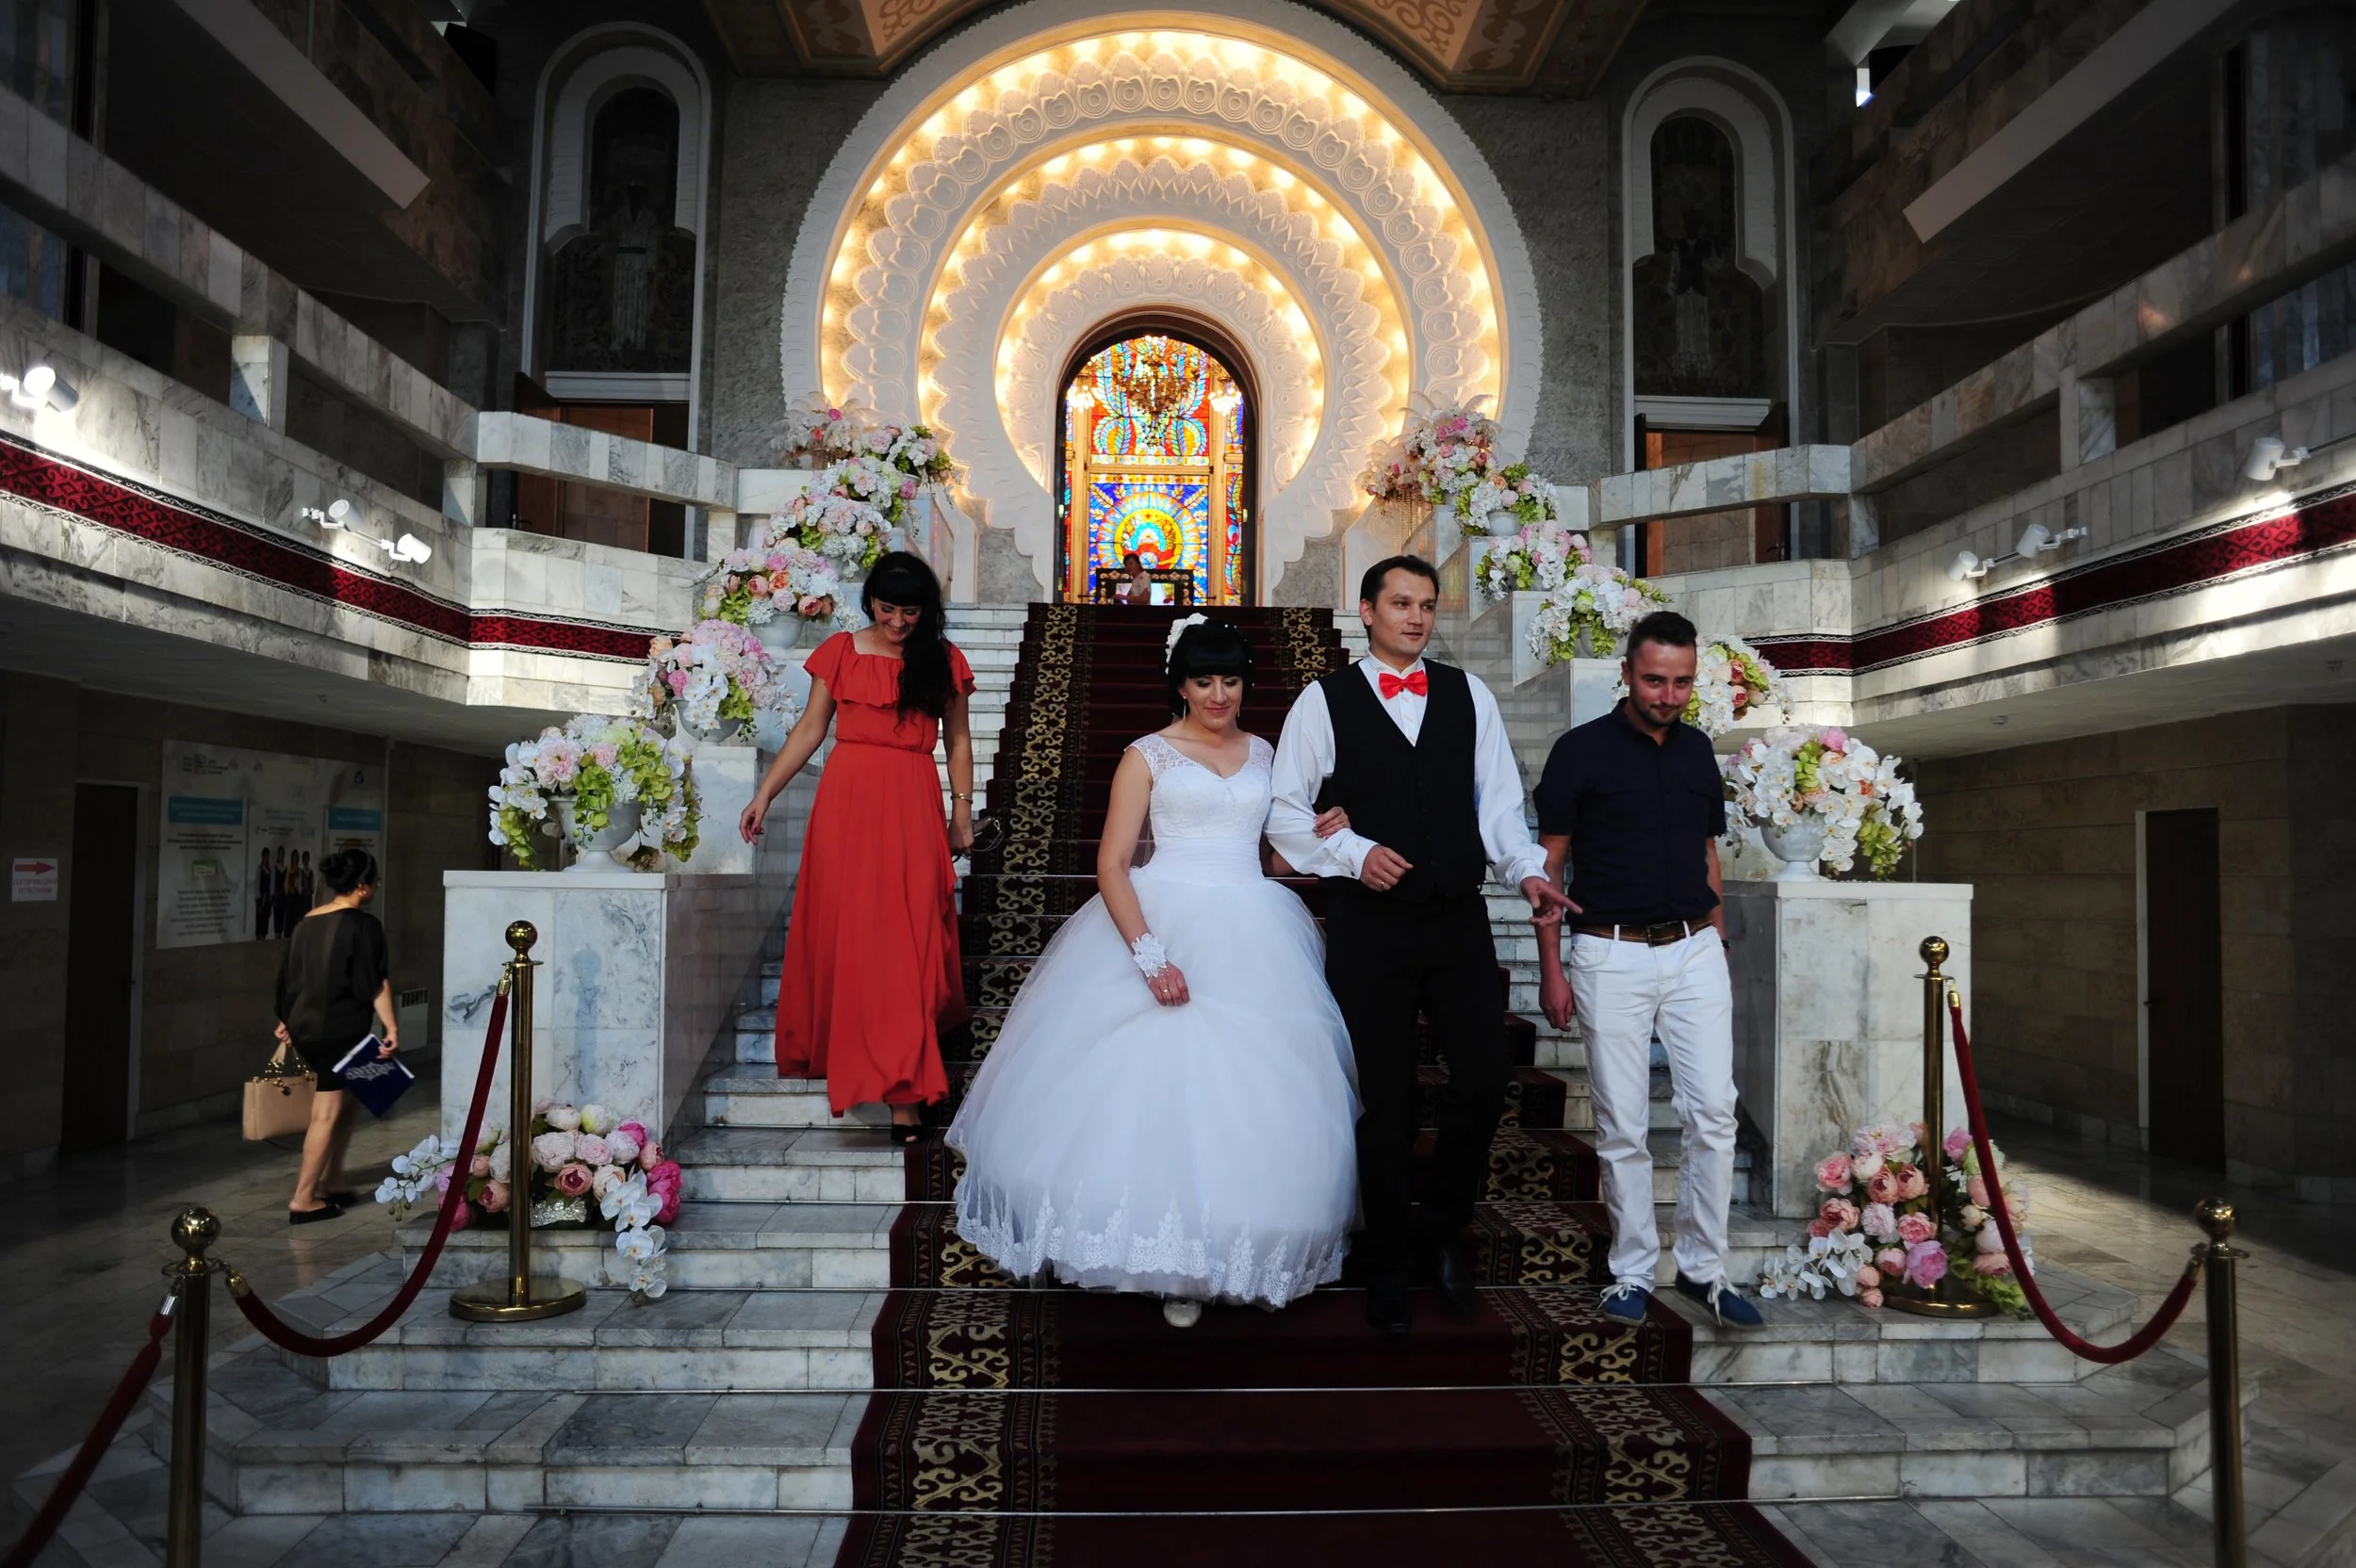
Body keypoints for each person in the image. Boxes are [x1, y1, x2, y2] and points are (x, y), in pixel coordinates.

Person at [951, 617, 1360, 1327]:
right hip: (1164, 919)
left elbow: (1271, 856)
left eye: (1231, 680)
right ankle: (1159, 1256)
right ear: (1180, 685)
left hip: (1254, 925)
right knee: (1156, 1093)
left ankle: (1228, 1247)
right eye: (1204, 681)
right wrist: (1150, 955)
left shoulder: (1266, 753)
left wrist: (1326, 834)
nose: (1219, 695)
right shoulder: (1147, 754)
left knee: (1252, 1099)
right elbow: (1112, 865)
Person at [1268, 557, 1574, 1337]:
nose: (1415, 617)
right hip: (1368, 926)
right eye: (1400, 603)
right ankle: (1387, 1261)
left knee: (1485, 1079)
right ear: (1366, 610)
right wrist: (1353, 853)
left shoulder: (1469, 695)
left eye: (1427, 605)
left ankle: (1442, 1227)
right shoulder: (1323, 700)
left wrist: (1527, 872)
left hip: (1455, 918)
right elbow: (1284, 814)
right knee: (1389, 1100)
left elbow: (1499, 808)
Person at [1533, 610, 1762, 1330]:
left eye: (1682, 683)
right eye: (1656, 680)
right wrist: (1551, 968)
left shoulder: (1697, 751)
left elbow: (1707, 854)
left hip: (1695, 948)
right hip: (1609, 951)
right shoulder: (1579, 752)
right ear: (1627, 672)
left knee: (1714, 1113)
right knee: (1623, 1125)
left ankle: (1702, 1269)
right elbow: (1550, 866)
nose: (1668, 695)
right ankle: (1631, 1271)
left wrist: (1717, 943)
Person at [740, 552, 974, 1143]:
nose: (897, 622)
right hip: (847, 805)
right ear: (870, 601)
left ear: (927, 610)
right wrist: (765, 793)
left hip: (913, 802)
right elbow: (810, 729)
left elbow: (959, 740)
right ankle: (877, 1077)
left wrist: (961, 813)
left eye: (911, 611)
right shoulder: (841, 651)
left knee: (908, 940)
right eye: (887, 608)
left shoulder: (943, 659)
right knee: (856, 938)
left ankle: (905, 1090)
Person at [273, 848, 399, 1223]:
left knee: (347, 1101)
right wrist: (391, 1027)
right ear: (362, 886)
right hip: (340, 1030)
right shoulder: (364, 925)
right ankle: (303, 1198)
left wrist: (285, 1018)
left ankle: (334, 1179)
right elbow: (375, 982)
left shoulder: (306, 922)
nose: (377, 887)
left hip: (307, 1028)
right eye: (375, 881)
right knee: (326, 1112)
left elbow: (290, 978)